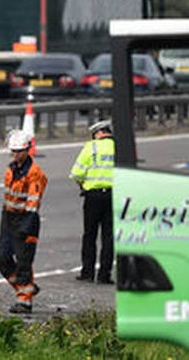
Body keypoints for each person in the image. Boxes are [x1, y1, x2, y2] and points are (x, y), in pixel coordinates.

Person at [0, 129, 48, 314]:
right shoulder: (11, 169)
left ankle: (25, 301)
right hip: (9, 217)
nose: (15, 154)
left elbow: (33, 203)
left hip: (27, 219)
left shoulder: (35, 173)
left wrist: (26, 226)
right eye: (13, 151)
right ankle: (25, 288)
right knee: (1, 256)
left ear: (28, 150)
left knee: (24, 261)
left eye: (19, 151)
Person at [70, 118, 115, 284]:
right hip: (113, 195)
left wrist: (83, 185)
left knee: (90, 235)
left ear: (98, 133)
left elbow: (76, 173)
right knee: (108, 236)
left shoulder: (91, 147)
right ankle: (104, 275)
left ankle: (87, 272)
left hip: (93, 196)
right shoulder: (120, 147)